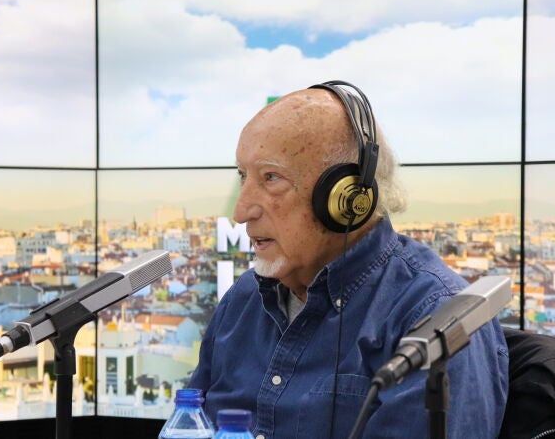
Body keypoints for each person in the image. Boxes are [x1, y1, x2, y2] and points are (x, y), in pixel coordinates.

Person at [189, 81, 508, 438]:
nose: (241, 211)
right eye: (242, 176)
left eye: (271, 177)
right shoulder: (243, 299)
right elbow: (189, 424)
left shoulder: (432, 319)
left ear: (346, 196)